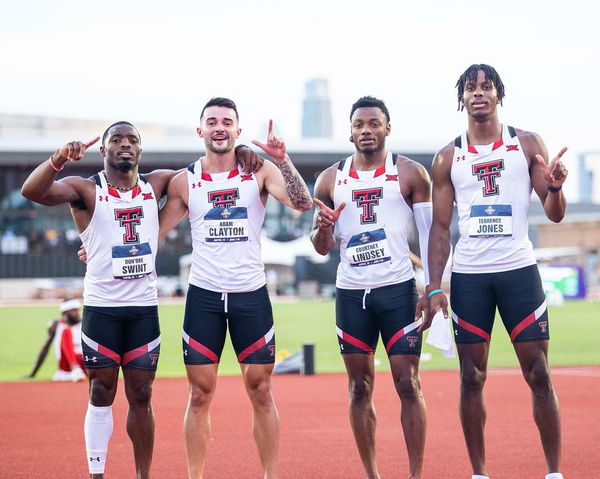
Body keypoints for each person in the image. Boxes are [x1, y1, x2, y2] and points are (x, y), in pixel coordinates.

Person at [21, 121, 263, 479]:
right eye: (115, 140)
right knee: (101, 391)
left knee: (142, 396)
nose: (124, 145)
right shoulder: (86, 189)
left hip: (143, 310)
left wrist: (239, 153)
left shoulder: (157, 183)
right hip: (103, 308)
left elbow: (204, 167)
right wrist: (58, 159)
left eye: (132, 140)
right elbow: (32, 191)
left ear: (140, 149)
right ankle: (97, 473)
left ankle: (142, 475)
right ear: (103, 150)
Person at [423, 64, 568, 479]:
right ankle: (479, 473)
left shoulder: (525, 144)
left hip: (518, 271)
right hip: (471, 277)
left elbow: (554, 214)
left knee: (539, 372)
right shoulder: (448, 157)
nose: (479, 94)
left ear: (499, 95)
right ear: (462, 99)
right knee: (471, 376)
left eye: (487, 87)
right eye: (471, 88)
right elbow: (440, 227)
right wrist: (435, 286)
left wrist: (555, 187)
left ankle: (554, 472)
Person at [158, 97, 312, 479]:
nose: (219, 127)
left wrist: (283, 158)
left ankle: (270, 475)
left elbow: (303, 202)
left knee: (260, 389)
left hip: (250, 295)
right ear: (200, 131)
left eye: (227, 121)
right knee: (199, 393)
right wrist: (94, 243)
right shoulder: (185, 181)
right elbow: (151, 233)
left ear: (238, 131)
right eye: (212, 121)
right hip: (204, 296)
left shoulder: (258, 172)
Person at [310, 96, 432, 479]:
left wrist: (431, 287)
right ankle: (372, 474)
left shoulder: (411, 174)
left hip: (397, 291)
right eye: (359, 124)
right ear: (350, 130)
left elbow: (429, 237)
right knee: (359, 387)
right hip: (351, 294)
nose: (366, 130)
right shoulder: (331, 179)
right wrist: (323, 228)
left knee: (407, 383)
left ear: (387, 128)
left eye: (374, 123)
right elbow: (321, 247)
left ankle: (415, 474)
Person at [27, 298, 86, 382]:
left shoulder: (85, 324)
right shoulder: (56, 326)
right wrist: (33, 373)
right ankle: (75, 369)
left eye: (77, 310)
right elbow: (45, 348)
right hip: (66, 365)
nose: (77, 313)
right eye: (73, 310)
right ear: (65, 312)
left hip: (85, 362)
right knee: (66, 332)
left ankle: (79, 371)